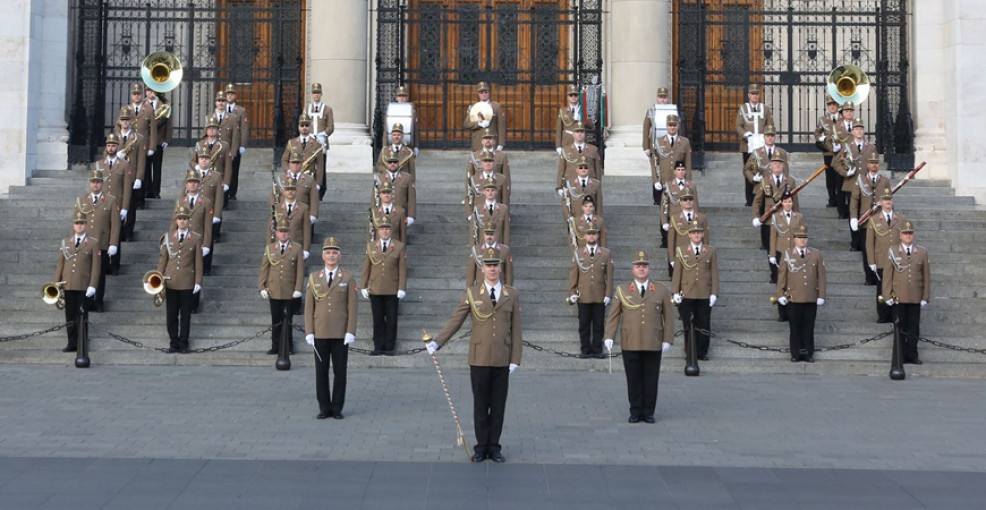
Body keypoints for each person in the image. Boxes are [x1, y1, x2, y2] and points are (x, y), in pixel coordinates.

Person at [426, 247, 522, 463]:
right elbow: (456, 320)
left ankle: (494, 447)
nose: (492, 269)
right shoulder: (472, 293)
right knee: (481, 404)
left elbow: (516, 329)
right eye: (488, 266)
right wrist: (438, 341)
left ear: (500, 267)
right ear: (481, 268)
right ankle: (481, 447)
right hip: (479, 357)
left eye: (495, 265)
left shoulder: (511, 294)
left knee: (498, 405)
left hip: (502, 357)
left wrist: (516, 358)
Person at [603, 250, 675, 424]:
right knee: (633, 378)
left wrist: (668, 339)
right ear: (633, 269)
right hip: (631, 341)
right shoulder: (623, 290)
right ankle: (635, 410)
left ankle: (649, 411)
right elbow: (614, 316)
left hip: (653, 341)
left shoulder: (660, 289)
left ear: (648, 269)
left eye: (644, 266)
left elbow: (669, 317)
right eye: (638, 266)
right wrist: (609, 336)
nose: (641, 269)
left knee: (651, 378)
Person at [305, 237, 357, 419]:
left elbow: (352, 306)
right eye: (328, 252)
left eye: (335, 253)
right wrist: (309, 331)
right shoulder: (314, 278)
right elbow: (309, 307)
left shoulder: (348, 278)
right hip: (320, 331)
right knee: (321, 372)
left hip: (340, 332)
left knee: (340, 372)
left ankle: (337, 408)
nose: (331, 256)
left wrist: (350, 331)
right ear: (323, 256)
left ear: (340, 256)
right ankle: (324, 407)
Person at [776, 225, 826, 362]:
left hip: (810, 297)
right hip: (794, 297)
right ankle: (795, 353)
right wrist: (780, 294)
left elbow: (821, 277)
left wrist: (821, 295)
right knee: (795, 327)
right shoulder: (787, 254)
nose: (802, 240)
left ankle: (808, 353)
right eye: (799, 238)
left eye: (804, 238)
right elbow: (782, 276)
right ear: (794, 239)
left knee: (809, 327)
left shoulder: (815, 254)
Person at [882, 222, 931, 365]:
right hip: (898, 296)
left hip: (915, 297)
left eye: (910, 233)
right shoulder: (893, 251)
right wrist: (887, 295)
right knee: (900, 328)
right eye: (905, 233)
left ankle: (912, 354)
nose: (908, 236)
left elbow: (926, 277)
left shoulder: (921, 252)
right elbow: (887, 276)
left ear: (913, 235)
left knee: (913, 328)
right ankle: (901, 355)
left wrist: (925, 296)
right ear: (900, 235)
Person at [670, 221, 719, 361]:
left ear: (703, 234)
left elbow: (714, 273)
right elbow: (677, 273)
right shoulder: (681, 250)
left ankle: (702, 352)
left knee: (704, 324)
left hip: (704, 293)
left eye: (698, 232)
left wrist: (714, 292)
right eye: (693, 232)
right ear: (689, 235)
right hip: (687, 292)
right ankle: (690, 352)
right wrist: (675, 292)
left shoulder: (710, 251)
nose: (696, 235)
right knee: (688, 325)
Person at [158, 204, 203, 353]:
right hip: (170, 282)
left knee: (185, 315)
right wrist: (158, 279)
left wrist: (198, 281)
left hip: (186, 282)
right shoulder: (168, 237)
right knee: (171, 315)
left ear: (188, 220)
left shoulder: (195, 238)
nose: (182, 221)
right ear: (176, 221)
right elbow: (163, 261)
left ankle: (184, 342)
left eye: (185, 219)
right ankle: (173, 342)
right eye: (180, 219)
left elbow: (198, 262)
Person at [54, 212, 100, 352]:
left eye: (81, 223)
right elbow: (60, 264)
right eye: (76, 223)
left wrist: (93, 285)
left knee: (82, 315)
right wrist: (56, 283)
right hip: (68, 285)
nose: (79, 226)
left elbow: (96, 267)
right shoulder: (66, 242)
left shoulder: (93, 243)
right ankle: (72, 342)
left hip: (83, 286)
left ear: (86, 225)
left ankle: (82, 342)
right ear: (73, 226)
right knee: (70, 315)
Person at [360, 217, 407, 356]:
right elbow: (366, 267)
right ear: (378, 231)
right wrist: (363, 285)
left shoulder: (399, 246)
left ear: (391, 231)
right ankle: (378, 346)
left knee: (392, 319)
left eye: (387, 229)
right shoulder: (371, 246)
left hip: (392, 288)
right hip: (375, 289)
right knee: (378, 319)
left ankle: (389, 347)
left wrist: (401, 288)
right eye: (382, 229)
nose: (385, 231)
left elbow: (402, 270)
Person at [75, 169, 120, 311]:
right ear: (89, 184)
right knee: (85, 273)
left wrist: (113, 243)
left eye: (98, 182)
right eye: (93, 182)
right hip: (85, 244)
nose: (96, 185)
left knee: (99, 274)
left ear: (102, 184)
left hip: (102, 243)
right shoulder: (82, 201)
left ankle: (98, 301)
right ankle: (86, 301)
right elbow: (76, 223)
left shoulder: (110, 200)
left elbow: (115, 224)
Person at [259, 218, 305, 355]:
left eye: (285, 231)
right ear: (277, 233)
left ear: (289, 233)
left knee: (288, 320)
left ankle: (289, 346)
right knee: (276, 319)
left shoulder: (296, 248)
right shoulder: (270, 248)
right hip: (274, 289)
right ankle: (275, 345)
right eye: (281, 231)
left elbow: (300, 271)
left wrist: (298, 289)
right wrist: (262, 286)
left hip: (289, 290)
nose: (283, 234)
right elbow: (265, 269)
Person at [567, 222, 613, 358]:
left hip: (599, 295)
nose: (591, 236)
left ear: (598, 235)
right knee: (584, 324)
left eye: (594, 233)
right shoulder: (579, 253)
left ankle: (598, 349)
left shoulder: (605, 253)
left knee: (599, 324)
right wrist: (571, 292)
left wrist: (608, 294)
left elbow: (609, 276)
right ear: (585, 236)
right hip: (584, 295)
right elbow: (573, 275)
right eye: (589, 234)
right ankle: (585, 349)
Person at [865, 188, 907, 323]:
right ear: (881, 202)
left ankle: (896, 314)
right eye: (885, 200)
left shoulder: (900, 219)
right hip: (881, 260)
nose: (888, 202)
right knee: (882, 289)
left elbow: (906, 240)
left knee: (897, 288)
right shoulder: (874, 220)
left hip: (898, 261)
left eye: (890, 200)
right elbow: (869, 244)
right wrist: (871, 261)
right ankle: (883, 315)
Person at [175, 171, 213, 312]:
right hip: (181, 241)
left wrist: (207, 244)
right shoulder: (180, 202)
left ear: (199, 184)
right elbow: (174, 223)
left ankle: (194, 304)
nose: (192, 184)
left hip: (198, 241)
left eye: (195, 182)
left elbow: (208, 226)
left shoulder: (206, 202)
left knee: (195, 271)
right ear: (186, 184)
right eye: (190, 182)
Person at [849, 154, 887, 283]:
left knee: (881, 248)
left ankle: (880, 275)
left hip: (881, 221)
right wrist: (853, 218)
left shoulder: (884, 181)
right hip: (866, 222)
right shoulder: (860, 180)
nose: (874, 165)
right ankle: (869, 277)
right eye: (871, 163)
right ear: (867, 165)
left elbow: (890, 201)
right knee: (867, 250)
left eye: (876, 163)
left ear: (879, 165)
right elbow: (854, 200)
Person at [735, 83, 774, 206]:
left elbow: (770, 125)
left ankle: (763, 196)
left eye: (756, 93)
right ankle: (749, 199)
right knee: (749, 171)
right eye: (752, 94)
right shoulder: (743, 109)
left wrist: (767, 136)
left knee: (764, 170)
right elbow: (738, 125)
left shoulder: (765, 109)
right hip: (748, 146)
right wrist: (745, 134)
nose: (755, 96)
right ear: (748, 95)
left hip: (763, 146)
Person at [752, 154, 798, 251]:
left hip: (785, 221)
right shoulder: (764, 181)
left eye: (780, 164)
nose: (777, 165)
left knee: (785, 250)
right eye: (775, 163)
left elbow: (795, 202)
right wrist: (755, 216)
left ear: (783, 166)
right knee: (771, 251)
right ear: (771, 166)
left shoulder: (790, 181)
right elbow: (757, 201)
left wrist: (796, 219)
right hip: (769, 220)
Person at [769, 193, 804, 319]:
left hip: (794, 253)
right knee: (781, 282)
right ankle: (782, 313)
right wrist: (772, 254)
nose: (788, 204)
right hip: (782, 253)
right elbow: (773, 237)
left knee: (794, 282)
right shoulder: (776, 217)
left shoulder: (798, 216)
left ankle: (792, 310)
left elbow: (802, 235)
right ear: (782, 203)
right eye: (786, 202)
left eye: (790, 202)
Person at [649, 114, 693, 206]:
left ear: (678, 126)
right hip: (663, 181)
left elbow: (688, 164)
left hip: (678, 183)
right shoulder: (658, 142)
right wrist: (655, 181)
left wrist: (687, 182)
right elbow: (654, 163)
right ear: (666, 126)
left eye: (674, 125)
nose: (672, 127)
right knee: (663, 212)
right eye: (670, 125)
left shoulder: (685, 142)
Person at [114, 106, 148, 223]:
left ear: (131, 121)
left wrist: (139, 178)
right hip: (117, 175)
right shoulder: (114, 138)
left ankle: (129, 230)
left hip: (131, 175)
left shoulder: (138, 138)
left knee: (131, 205)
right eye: (123, 119)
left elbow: (141, 160)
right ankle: (121, 231)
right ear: (119, 121)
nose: (125, 122)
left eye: (127, 119)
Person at [666, 188, 708, 279]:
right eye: (685, 199)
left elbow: (706, 239)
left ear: (693, 201)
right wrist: (672, 259)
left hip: (697, 256)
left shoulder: (701, 218)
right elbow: (671, 241)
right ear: (680, 202)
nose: (688, 201)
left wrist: (706, 256)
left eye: (690, 199)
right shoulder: (675, 218)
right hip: (681, 257)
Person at [193, 148, 224, 270]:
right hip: (194, 210)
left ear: (210, 161)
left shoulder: (216, 176)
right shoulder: (192, 175)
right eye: (201, 159)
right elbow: (183, 195)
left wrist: (217, 215)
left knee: (207, 236)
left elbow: (219, 196)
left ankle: (206, 266)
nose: (204, 161)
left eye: (206, 159)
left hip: (209, 211)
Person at [280, 113, 325, 194]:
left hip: (309, 180)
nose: (304, 127)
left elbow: (320, 166)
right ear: (298, 127)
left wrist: (318, 183)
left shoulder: (317, 145)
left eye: (307, 125)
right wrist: (289, 171)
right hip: (293, 180)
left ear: (310, 127)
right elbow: (284, 160)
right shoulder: (291, 143)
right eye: (302, 125)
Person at [830, 101, 859, 219]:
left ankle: (852, 210)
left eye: (851, 111)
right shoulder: (837, 126)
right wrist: (833, 147)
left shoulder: (857, 126)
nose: (849, 113)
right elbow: (831, 140)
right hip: (840, 160)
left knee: (852, 188)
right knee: (840, 186)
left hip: (853, 160)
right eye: (847, 111)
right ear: (842, 113)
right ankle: (842, 211)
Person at [660, 160, 698, 249]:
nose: (680, 172)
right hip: (674, 221)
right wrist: (664, 222)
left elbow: (695, 204)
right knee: (672, 247)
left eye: (682, 169)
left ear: (685, 171)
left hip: (687, 221)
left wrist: (696, 220)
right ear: (674, 171)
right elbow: (664, 206)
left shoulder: (691, 186)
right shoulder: (668, 186)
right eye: (678, 169)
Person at [373, 151, 417, 228]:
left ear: (398, 163)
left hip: (401, 216)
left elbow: (411, 198)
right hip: (383, 216)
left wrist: (411, 216)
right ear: (386, 164)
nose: (392, 164)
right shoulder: (380, 178)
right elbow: (374, 198)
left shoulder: (407, 178)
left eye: (395, 162)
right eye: (390, 162)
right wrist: (374, 213)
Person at [306, 82, 334, 199]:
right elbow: (304, 124)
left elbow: (330, 126)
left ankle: (321, 190)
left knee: (321, 167)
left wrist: (324, 134)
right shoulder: (307, 109)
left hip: (321, 143)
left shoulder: (327, 109)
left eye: (318, 93)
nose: (316, 95)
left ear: (321, 94)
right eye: (314, 93)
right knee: (309, 166)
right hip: (310, 142)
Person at [555, 122, 602, 193]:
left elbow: (597, 172)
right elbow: (561, 169)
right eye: (577, 132)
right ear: (573, 134)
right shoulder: (566, 150)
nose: (579, 134)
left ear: (585, 134)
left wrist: (598, 187)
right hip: (571, 187)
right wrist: (559, 186)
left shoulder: (593, 150)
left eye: (582, 132)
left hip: (589, 188)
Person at [189, 115, 231, 192]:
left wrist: (226, 183)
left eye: (214, 128)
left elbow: (228, 167)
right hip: (203, 180)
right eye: (209, 128)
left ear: (218, 131)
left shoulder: (224, 145)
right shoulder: (199, 144)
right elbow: (192, 161)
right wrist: (197, 167)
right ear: (206, 130)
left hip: (218, 180)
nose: (211, 130)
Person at [275, 177, 312, 260]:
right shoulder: (277, 207)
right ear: (284, 192)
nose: (290, 192)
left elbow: (306, 230)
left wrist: (306, 249)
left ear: (296, 191)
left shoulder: (304, 208)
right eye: (287, 190)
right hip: (279, 245)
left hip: (297, 245)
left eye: (292, 189)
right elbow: (272, 229)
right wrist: (269, 247)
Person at [222, 84, 249, 201]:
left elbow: (244, 128)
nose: (229, 96)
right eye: (228, 94)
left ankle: (232, 192)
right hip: (223, 144)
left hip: (235, 145)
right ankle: (223, 192)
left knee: (234, 169)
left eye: (231, 94)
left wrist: (242, 145)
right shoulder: (221, 110)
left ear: (235, 96)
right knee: (222, 169)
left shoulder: (241, 111)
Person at [145, 87, 172, 200]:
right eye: (148, 90)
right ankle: (147, 190)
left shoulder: (164, 104)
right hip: (145, 141)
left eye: (153, 90)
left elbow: (168, 123)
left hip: (158, 140)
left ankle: (156, 191)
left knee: (157, 167)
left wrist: (166, 139)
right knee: (146, 167)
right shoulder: (143, 105)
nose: (151, 93)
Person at [464, 81, 506, 152]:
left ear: (489, 93)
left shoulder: (496, 106)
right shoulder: (473, 107)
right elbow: (466, 124)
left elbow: (501, 126)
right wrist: (478, 124)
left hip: (492, 142)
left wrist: (501, 144)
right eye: (481, 93)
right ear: (478, 94)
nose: (484, 94)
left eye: (485, 92)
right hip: (478, 142)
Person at [467, 223, 513, 288]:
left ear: (496, 234)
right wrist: (469, 293)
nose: (489, 237)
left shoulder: (504, 250)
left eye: (491, 234)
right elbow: (470, 275)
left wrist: (508, 291)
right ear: (483, 234)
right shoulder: (476, 250)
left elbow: (509, 275)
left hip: (499, 288)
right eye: (487, 234)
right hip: (480, 290)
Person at [815, 97, 841, 208]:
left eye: (834, 104)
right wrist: (821, 139)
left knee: (839, 177)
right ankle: (832, 199)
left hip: (840, 153)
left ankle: (840, 199)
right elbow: (817, 133)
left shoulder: (843, 118)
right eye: (830, 104)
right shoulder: (823, 119)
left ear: (838, 105)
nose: (832, 106)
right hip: (828, 153)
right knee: (830, 177)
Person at [470, 178, 510, 245]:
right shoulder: (477, 209)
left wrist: (505, 249)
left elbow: (506, 232)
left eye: (492, 190)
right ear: (484, 192)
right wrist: (474, 250)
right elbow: (472, 231)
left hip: (498, 247)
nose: (490, 193)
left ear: (496, 192)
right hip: (482, 247)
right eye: (487, 190)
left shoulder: (503, 209)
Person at [555, 84, 592, 151]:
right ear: (567, 97)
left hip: (580, 141)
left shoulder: (583, 110)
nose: (573, 97)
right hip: (566, 141)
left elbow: (591, 125)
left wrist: (582, 118)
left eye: (575, 95)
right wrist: (558, 146)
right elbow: (559, 130)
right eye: (571, 95)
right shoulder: (563, 111)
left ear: (578, 96)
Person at [394, 86, 418, 154]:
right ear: (396, 98)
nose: (401, 98)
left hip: (408, 143)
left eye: (403, 96)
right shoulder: (392, 110)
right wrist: (385, 145)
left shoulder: (412, 111)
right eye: (399, 96)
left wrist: (416, 146)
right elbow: (386, 130)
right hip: (394, 142)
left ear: (406, 98)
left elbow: (415, 129)